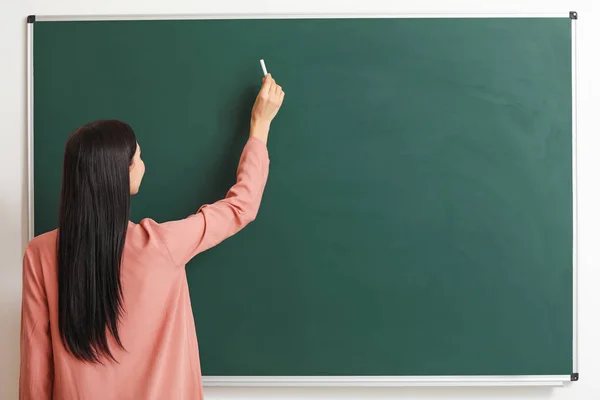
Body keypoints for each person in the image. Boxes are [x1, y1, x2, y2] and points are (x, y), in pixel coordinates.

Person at [19, 74, 284, 400]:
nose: (143, 164)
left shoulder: (40, 253)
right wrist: (259, 127)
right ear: (122, 175)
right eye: (138, 159)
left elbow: (36, 364)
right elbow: (241, 206)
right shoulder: (164, 245)